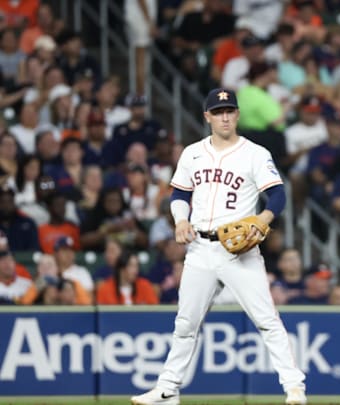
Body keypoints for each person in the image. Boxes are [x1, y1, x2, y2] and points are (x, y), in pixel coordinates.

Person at [130, 88, 306, 405]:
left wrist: (264, 218)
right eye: (218, 111)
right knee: (186, 323)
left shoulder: (255, 153)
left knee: (266, 320)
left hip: (240, 250)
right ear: (207, 116)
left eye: (229, 110)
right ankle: (167, 389)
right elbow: (180, 195)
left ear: (237, 114)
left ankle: (294, 388)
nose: (224, 116)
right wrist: (181, 221)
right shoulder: (192, 153)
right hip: (200, 246)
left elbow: (277, 194)